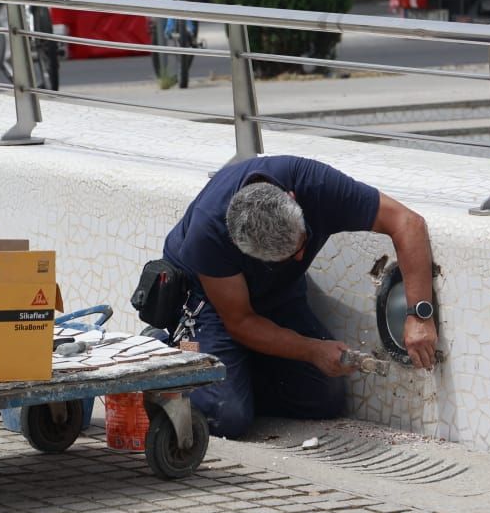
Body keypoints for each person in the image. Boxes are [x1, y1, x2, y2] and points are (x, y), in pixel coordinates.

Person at [161, 155, 437, 438]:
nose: (303, 255)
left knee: (324, 396)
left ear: (292, 198)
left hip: (277, 287)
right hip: (209, 301)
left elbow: (407, 222)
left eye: (303, 241)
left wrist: (418, 315)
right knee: (226, 415)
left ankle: (235, 374)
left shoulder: (315, 183)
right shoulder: (209, 234)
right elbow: (240, 322)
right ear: (240, 246)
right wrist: (313, 350)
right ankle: (168, 353)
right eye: (290, 255)